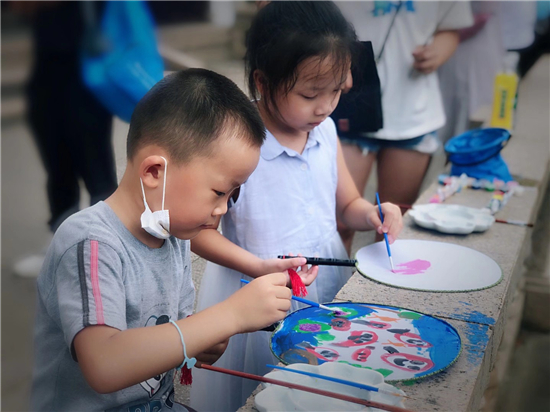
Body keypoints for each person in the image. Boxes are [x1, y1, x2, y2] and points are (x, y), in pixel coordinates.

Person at [30, 68, 306, 411]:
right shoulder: (89, 243)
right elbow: (104, 363)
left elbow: (167, 334)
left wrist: (198, 339)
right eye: (219, 191)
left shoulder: (174, 237)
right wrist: (229, 315)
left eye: (233, 194)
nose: (222, 209)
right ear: (154, 172)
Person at [189, 2, 403, 411]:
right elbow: (198, 232)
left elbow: (346, 205)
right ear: (263, 82)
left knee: (322, 391)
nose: (325, 107)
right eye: (310, 94)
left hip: (324, 289)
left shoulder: (324, 133)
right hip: (259, 300)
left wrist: (373, 215)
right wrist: (256, 267)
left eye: (337, 92)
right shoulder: (238, 145)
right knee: (269, 393)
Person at [336, 1, 474, 253]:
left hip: (413, 113)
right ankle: (333, 289)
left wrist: (437, 52)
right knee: (338, 223)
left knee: (392, 227)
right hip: (347, 107)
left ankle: (375, 292)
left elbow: (450, 28)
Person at [10, 1, 118, 278]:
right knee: (58, 164)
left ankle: (110, 252)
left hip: (88, 59)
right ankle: (61, 248)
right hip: (50, 61)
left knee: (96, 167)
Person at [438, 1, 507, 142]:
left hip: (471, 54)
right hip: (452, 53)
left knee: (469, 113)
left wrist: (436, 35)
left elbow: (482, 15)